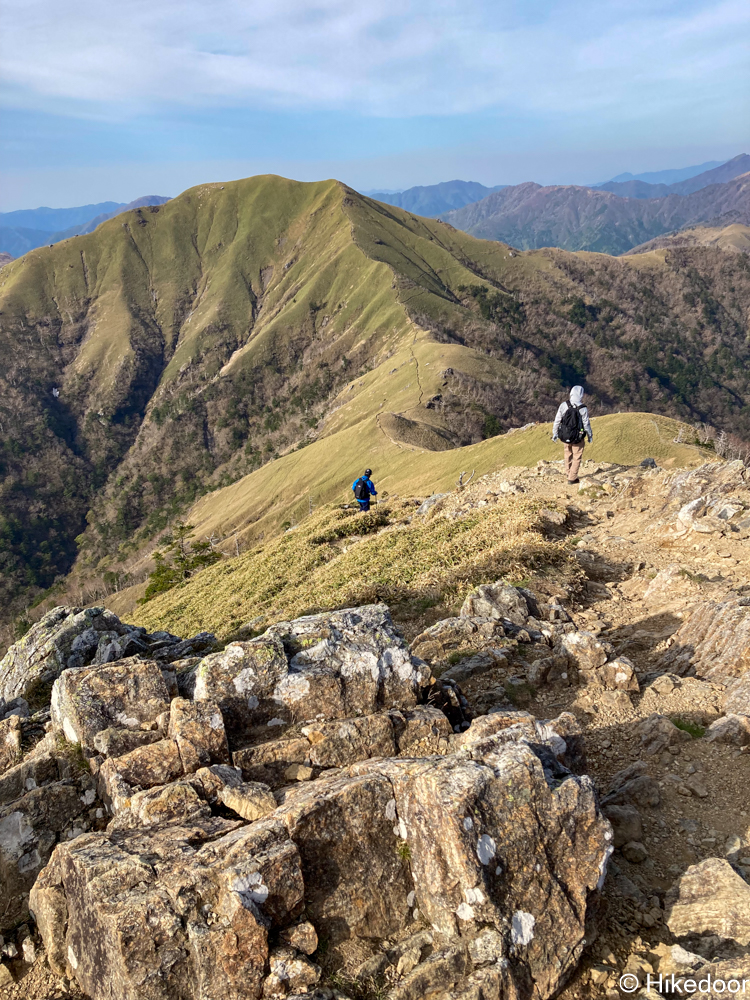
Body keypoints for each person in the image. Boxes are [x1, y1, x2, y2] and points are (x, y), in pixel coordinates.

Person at [552, 385, 593, 484]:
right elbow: (586, 424)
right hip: (577, 436)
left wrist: (555, 433)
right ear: (581, 395)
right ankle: (572, 478)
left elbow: (557, 420)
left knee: (567, 454)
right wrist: (589, 435)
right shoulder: (583, 408)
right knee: (577, 456)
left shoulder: (564, 405)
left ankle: (568, 473)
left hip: (565, 435)